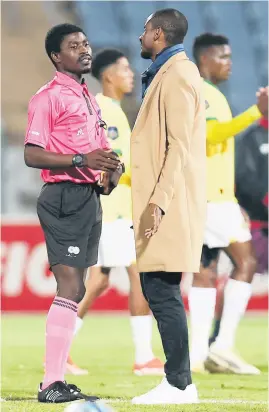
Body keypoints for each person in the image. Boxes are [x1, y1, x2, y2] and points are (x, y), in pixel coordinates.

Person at [24, 23, 124, 403]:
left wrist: (112, 172)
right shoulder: (47, 97)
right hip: (62, 196)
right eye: (73, 46)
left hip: (87, 197)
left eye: (85, 43)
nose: (84, 49)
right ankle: (50, 383)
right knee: (69, 286)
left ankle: (57, 379)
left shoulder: (87, 97)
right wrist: (82, 159)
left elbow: (101, 152)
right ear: (56, 56)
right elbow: (32, 154)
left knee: (78, 288)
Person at [66, 48, 164, 376]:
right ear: (108, 76)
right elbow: (112, 164)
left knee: (98, 282)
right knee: (141, 275)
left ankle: (60, 350)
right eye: (124, 69)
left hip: (110, 209)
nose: (131, 74)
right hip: (113, 210)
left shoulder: (107, 108)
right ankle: (143, 357)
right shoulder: (105, 110)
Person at [131, 9, 206, 405]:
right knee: (157, 288)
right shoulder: (170, 72)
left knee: (161, 290)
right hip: (163, 198)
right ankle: (178, 380)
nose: (140, 37)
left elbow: (178, 145)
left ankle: (179, 383)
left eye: (145, 31)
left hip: (169, 201)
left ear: (158, 33)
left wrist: (158, 200)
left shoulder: (178, 75)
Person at [188, 33, 268, 375]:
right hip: (213, 198)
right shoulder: (205, 93)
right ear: (205, 59)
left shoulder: (206, 93)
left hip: (203, 196)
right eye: (223, 56)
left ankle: (196, 356)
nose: (229, 62)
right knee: (246, 261)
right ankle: (222, 346)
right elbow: (211, 135)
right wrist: (256, 112)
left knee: (205, 272)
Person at [209, 116, 268, 345]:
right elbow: (241, 177)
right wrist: (261, 199)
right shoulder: (250, 138)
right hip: (256, 224)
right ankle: (217, 335)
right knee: (241, 269)